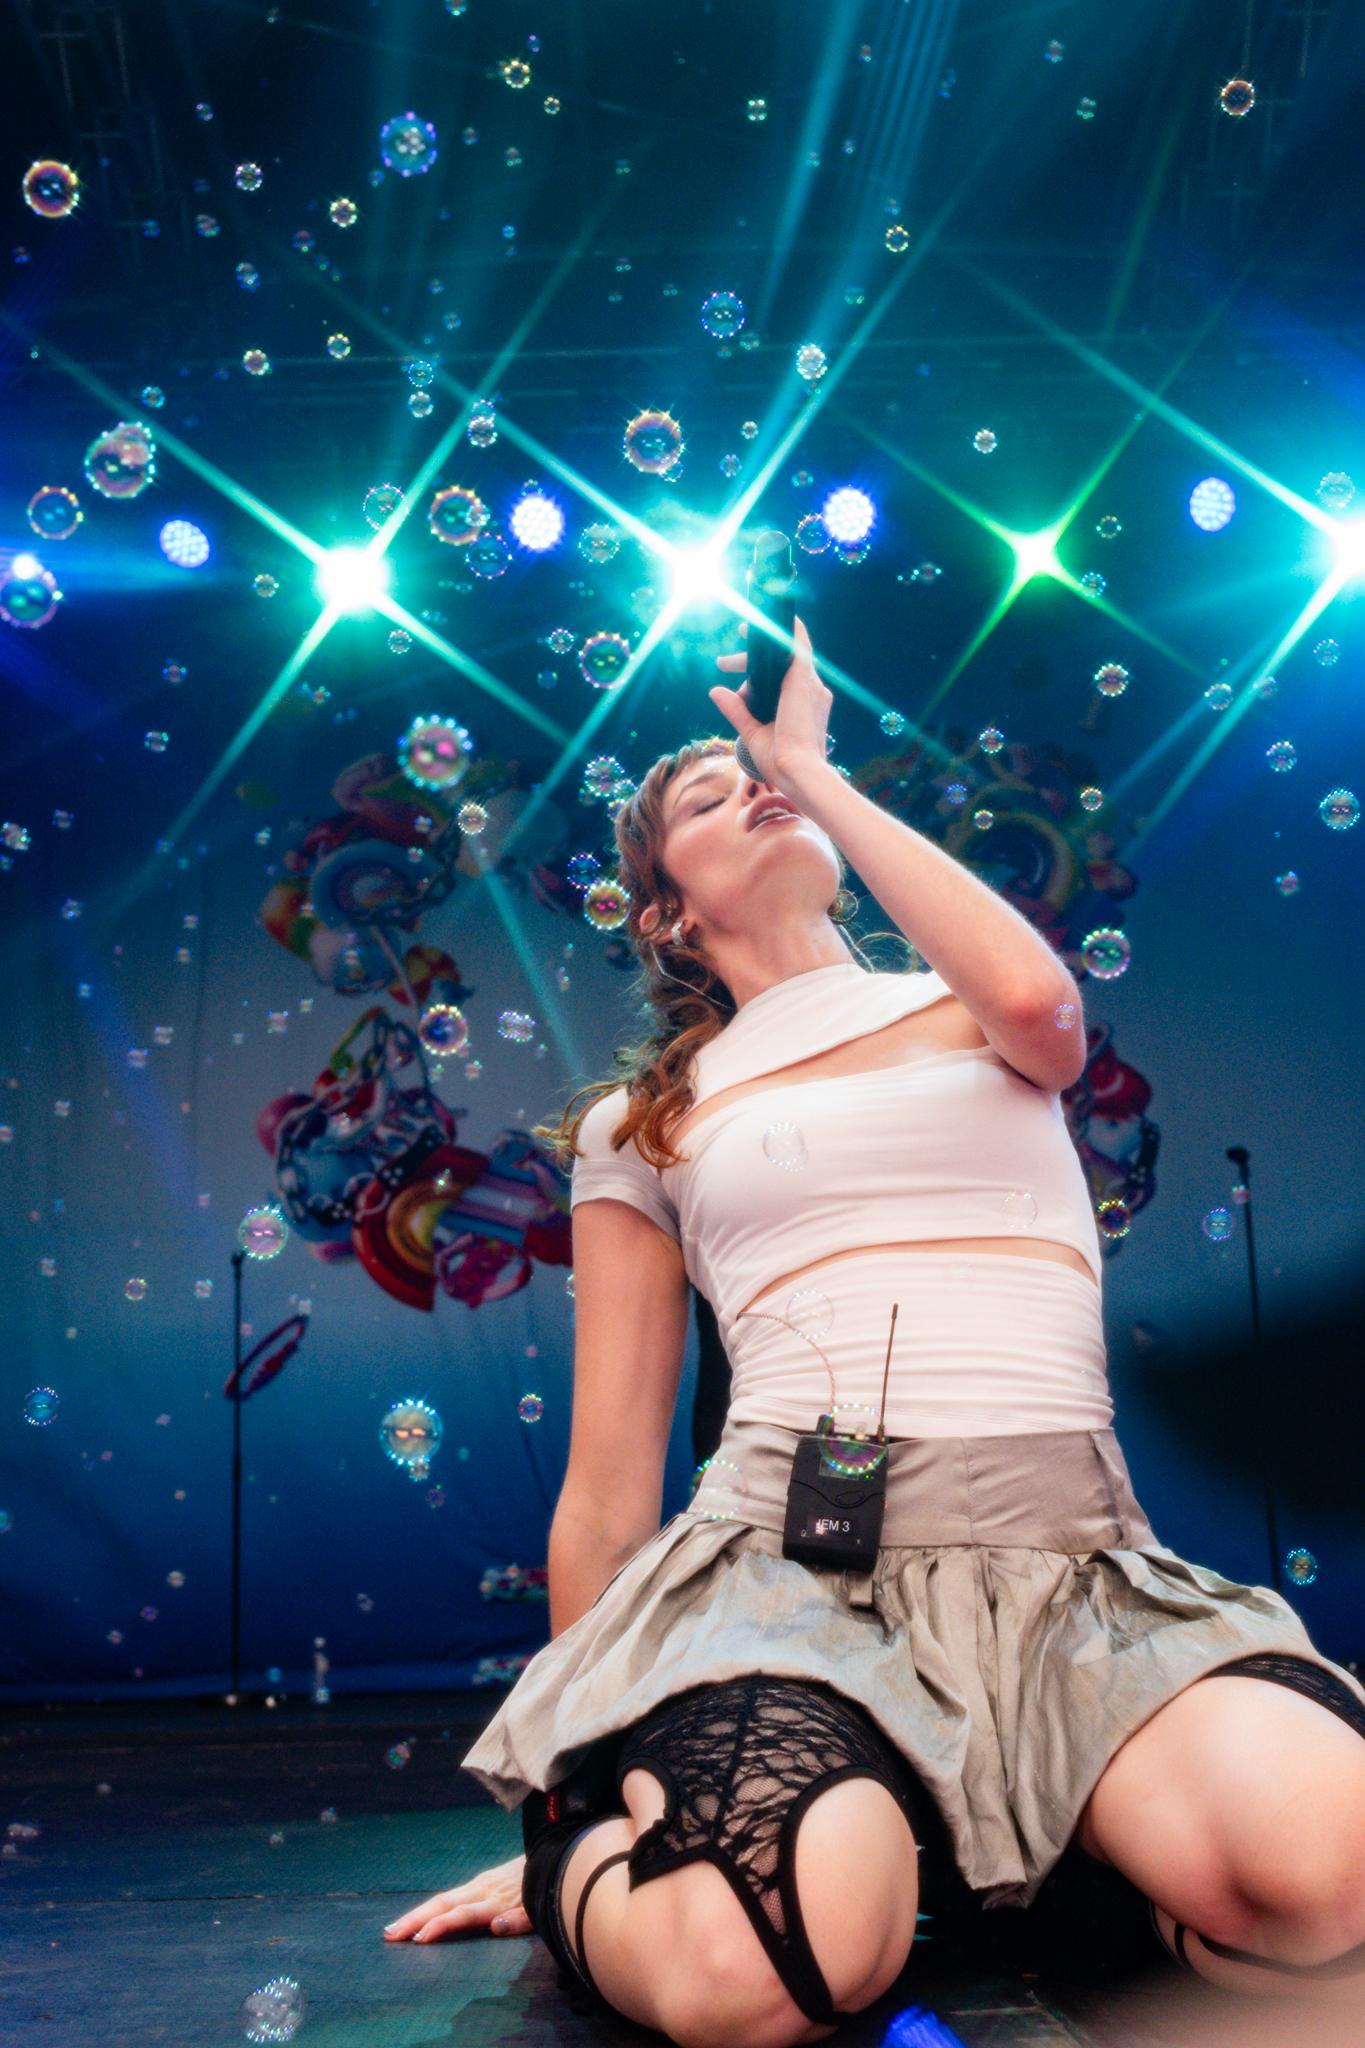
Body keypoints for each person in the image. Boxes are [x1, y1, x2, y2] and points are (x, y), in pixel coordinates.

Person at [382, 617, 1365, 2045]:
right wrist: (563, 1794)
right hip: (784, 1582)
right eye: (711, 796)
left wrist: (814, 772)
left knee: (1336, 1887)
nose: (756, 789)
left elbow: (1038, 1003)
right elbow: (605, 1480)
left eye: (764, 777)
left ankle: (1039, 1865)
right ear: (664, 915)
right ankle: (606, 1871)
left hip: (1066, 1578)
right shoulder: (643, 1124)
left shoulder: (968, 1005)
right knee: (756, 1978)